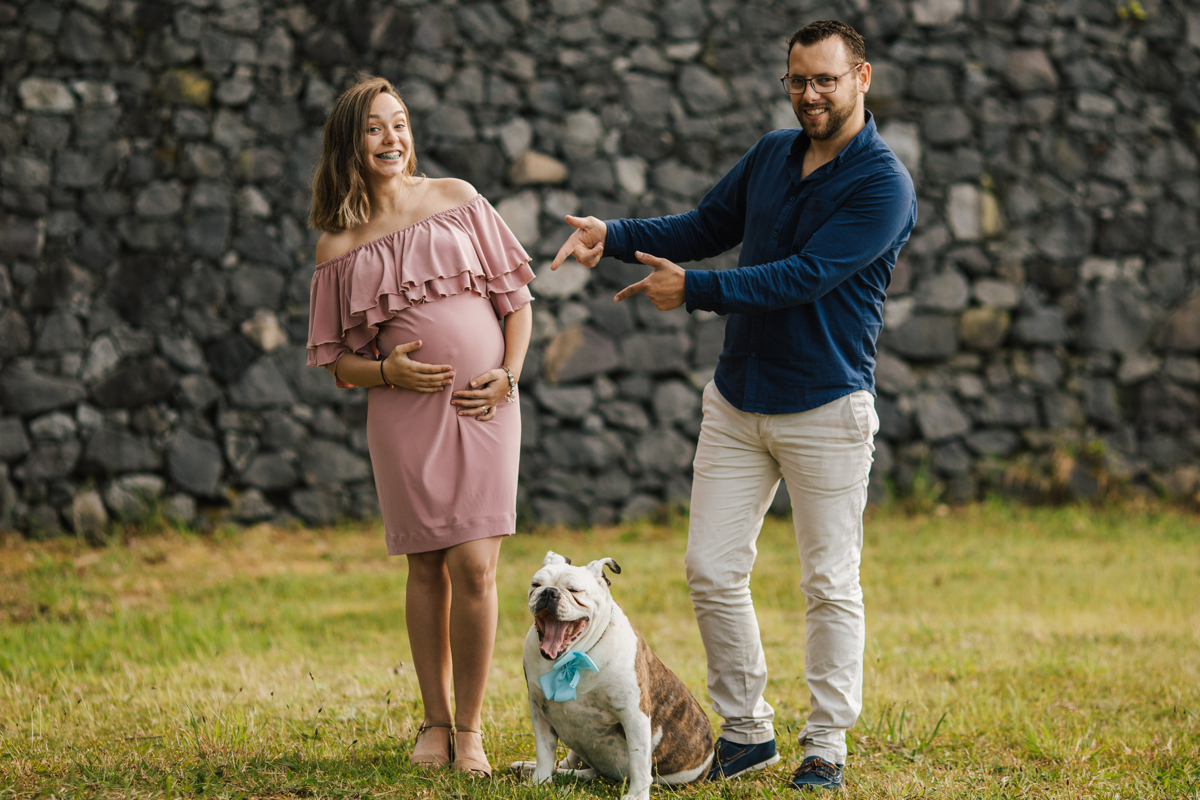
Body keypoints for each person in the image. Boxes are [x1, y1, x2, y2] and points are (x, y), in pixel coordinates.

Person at [551, 21, 916, 792]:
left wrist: (696, 290)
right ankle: (748, 732)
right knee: (711, 570)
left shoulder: (884, 184)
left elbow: (802, 276)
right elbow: (705, 227)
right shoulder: (772, 155)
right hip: (738, 399)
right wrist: (610, 234)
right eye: (796, 80)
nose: (808, 95)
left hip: (826, 408)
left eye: (824, 80)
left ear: (862, 78)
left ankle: (826, 746)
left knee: (828, 583)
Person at [306, 76, 534, 778]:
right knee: (427, 564)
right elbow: (336, 364)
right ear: (351, 141)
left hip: (485, 405)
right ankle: (433, 723)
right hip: (404, 413)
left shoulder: (460, 200)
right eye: (375, 128)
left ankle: (470, 731)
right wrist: (389, 375)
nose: (391, 139)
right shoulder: (339, 244)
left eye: (399, 124)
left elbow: (516, 301)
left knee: (475, 563)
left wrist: (510, 374)